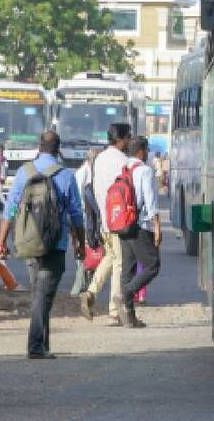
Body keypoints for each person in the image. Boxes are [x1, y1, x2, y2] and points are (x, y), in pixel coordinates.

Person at [0, 131, 85, 359]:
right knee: (43, 295)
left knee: (39, 293)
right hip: (56, 244)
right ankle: (36, 346)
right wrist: (80, 244)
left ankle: (43, 343)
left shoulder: (24, 172)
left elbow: (11, 209)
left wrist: (2, 241)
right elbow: (76, 214)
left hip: (28, 241)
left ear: (39, 147)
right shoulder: (65, 175)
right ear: (58, 149)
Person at [79, 123, 132, 325]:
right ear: (122, 139)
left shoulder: (99, 159)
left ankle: (91, 292)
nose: (129, 142)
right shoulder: (123, 161)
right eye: (128, 138)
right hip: (119, 221)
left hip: (104, 220)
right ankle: (114, 311)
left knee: (110, 257)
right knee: (120, 263)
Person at [118, 136, 161, 328]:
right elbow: (150, 200)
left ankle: (129, 317)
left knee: (128, 269)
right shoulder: (144, 170)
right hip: (139, 225)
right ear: (141, 152)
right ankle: (128, 292)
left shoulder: (123, 168)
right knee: (152, 264)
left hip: (122, 225)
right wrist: (157, 226)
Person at [69, 147, 102, 297]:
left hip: (89, 219)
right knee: (82, 256)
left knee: (90, 253)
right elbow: (77, 199)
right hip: (82, 219)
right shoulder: (82, 173)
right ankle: (78, 290)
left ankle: (85, 286)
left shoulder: (93, 172)